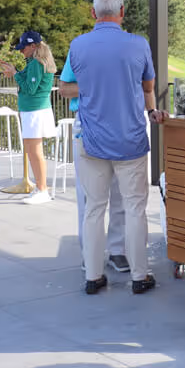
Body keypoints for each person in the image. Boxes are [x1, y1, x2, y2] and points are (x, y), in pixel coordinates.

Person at [61, 0, 165, 295]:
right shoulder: (138, 45)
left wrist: (92, 85)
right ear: (122, 12)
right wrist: (149, 108)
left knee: (94, 207)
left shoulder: (78, 45)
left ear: (93, 14)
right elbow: (148, 85)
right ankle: (139, 276)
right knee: (135, 208)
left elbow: (65, 87)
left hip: (90, 137)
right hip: (129, 137)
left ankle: (93, 277)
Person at [59, 51, 128, 273]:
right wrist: (98, 86)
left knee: (121, 193)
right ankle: (90, 253)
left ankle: (117, 251)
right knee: (89, 195)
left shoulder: (129, 48)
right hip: (88, 123)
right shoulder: (80, 49)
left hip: (121, 122)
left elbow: (143, 86)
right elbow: (64, 89)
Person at [0, 30, 56, 205]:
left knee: (35, 152)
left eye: (24, 47)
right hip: (35, 111)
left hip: (35, 111)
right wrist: (15, 72)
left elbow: (30, 89)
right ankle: (40, 188)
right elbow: (26, 80)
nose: (21, 51)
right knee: (33, 151)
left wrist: (15, 74)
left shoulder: (36, 64)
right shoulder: (34, 62)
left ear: (33, 46)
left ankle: (42, 190)